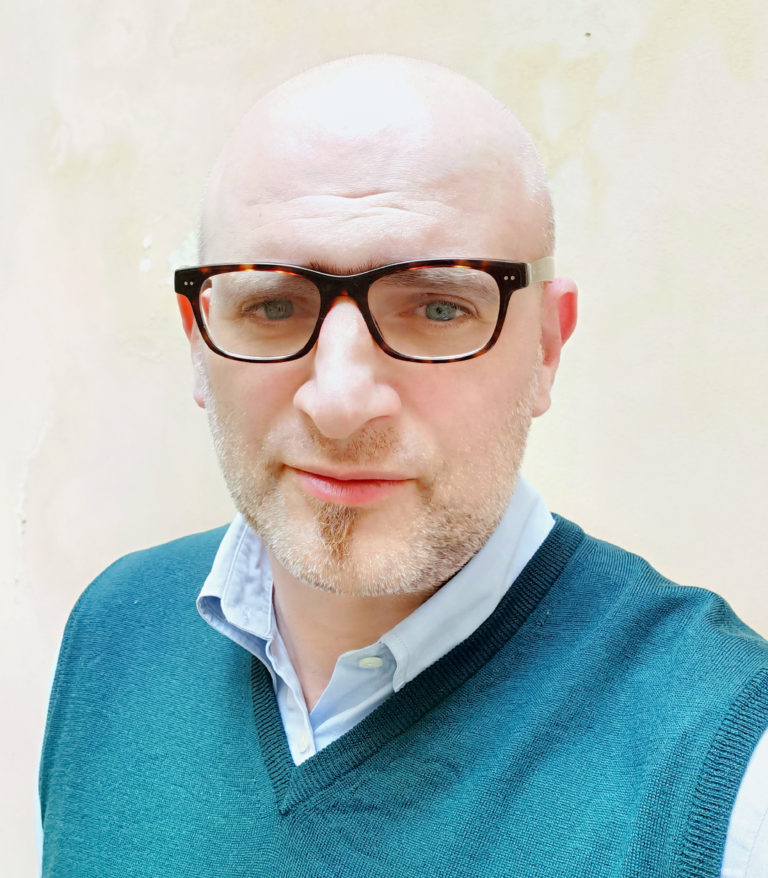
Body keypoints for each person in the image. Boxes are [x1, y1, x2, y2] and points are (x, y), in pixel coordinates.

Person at [38, 54, 768, 877]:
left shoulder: (729, 778)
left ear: (546, 346)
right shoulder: (114, 634)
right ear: (198, 344)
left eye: (438, 307)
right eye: (272, 305)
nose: (341, 401)